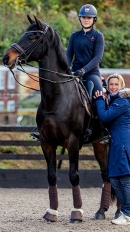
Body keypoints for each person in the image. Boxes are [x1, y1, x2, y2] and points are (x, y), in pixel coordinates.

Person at [30, 4, 105, 142]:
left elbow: (97, 58)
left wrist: (84, 70)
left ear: (94, 19)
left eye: (89, 18)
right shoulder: (74, 36)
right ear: (80, 19)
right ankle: (42, 128)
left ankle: (101, 129)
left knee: (98, 93)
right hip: (74, 73)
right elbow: (68, 56)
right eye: (83, 17)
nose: (86, 20)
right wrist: (67, 70)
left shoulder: (98, 36)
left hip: (91, 74)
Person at [94, 73, 130, 225]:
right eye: (110, 84)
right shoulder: (115, 99)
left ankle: (128, 215)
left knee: (125, 180)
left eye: (116, 84)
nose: (113, 87)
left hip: (124, 143)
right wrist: (103, 88)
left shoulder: (122, 101)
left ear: (121, 86)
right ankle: (125, 213)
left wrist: (99, 100)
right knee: (113, 178)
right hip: (116, 143)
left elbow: (104, 117)